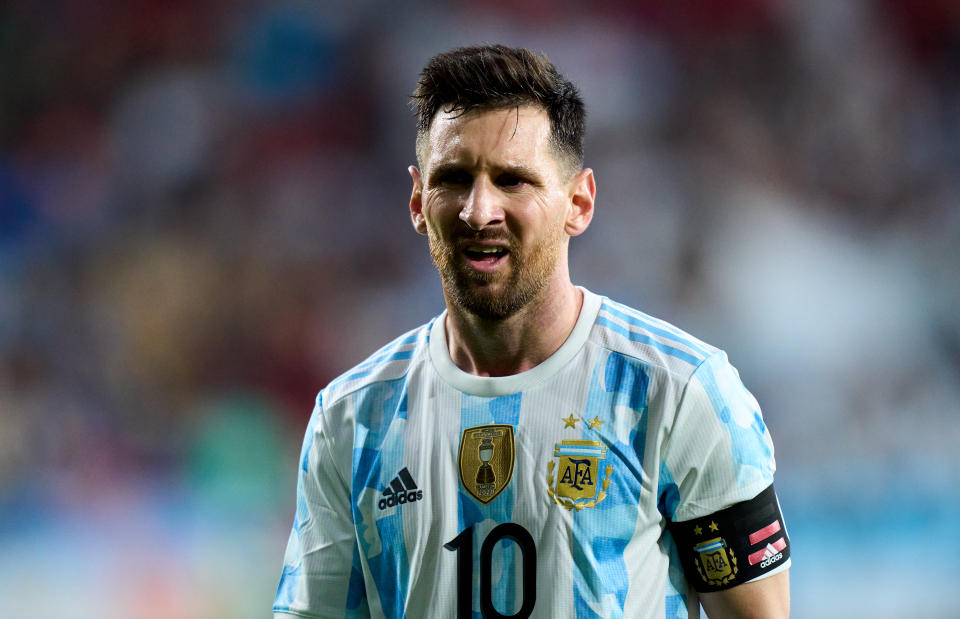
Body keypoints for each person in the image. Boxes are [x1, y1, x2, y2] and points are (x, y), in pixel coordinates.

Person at [273, 44, 790, 619]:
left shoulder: (681, 393)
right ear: (418, 200)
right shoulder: (353, 418)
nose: (479, 210)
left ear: (579, 201)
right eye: (454, 179)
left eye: (512, 180)